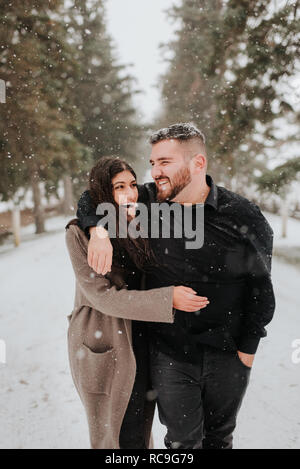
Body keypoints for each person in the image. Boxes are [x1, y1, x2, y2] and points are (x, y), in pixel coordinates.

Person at [76, 123, 276, 449]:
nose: (154, 172)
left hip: (227, 354)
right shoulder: (151, 202)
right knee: (183, 444)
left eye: (165, 162)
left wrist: (246, 351)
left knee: (219, 440)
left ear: (198, 163)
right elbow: (93, 195)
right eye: (153, 162)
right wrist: (98, 231)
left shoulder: (243, 215)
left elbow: (261, 289)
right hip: (171, 354)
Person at [65, 155, 209, 450]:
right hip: (105, 337)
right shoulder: (78, 234)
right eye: (118, 187)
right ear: (103, 193)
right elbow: (103, 298)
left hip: (143, 332)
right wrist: (97, 230)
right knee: (115, 433)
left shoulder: (142, 214)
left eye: (132, 184)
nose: (129, 193)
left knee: (141, 427)